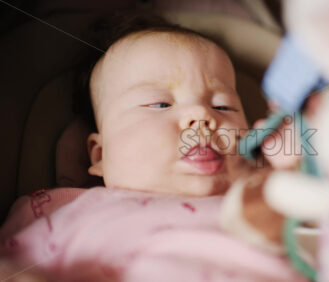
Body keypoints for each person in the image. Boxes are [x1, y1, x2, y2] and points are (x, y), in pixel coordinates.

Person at [0, 12, 306, 282]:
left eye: (223, 106)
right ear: (100, 154)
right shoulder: (64, 213)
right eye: (160, 104)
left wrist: (293, 172)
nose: (202, 116)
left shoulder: (274, 197)